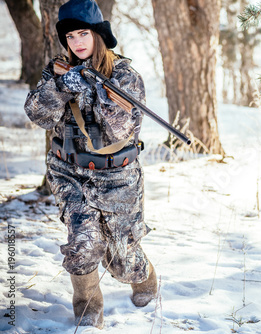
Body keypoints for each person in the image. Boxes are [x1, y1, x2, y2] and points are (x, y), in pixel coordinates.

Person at [24, 0, 157, 329]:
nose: (77, 42)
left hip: (119, 177)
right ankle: (88, 310)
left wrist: (96, 91)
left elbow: (124, 130)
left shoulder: (125, 76)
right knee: (83, 246)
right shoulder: (58, 72)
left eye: (84, 33)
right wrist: (61, 88)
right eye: (70, 37)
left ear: (99, 35)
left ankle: (146, 280)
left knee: (121, 259)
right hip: (69, 173)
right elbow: (37, 114)